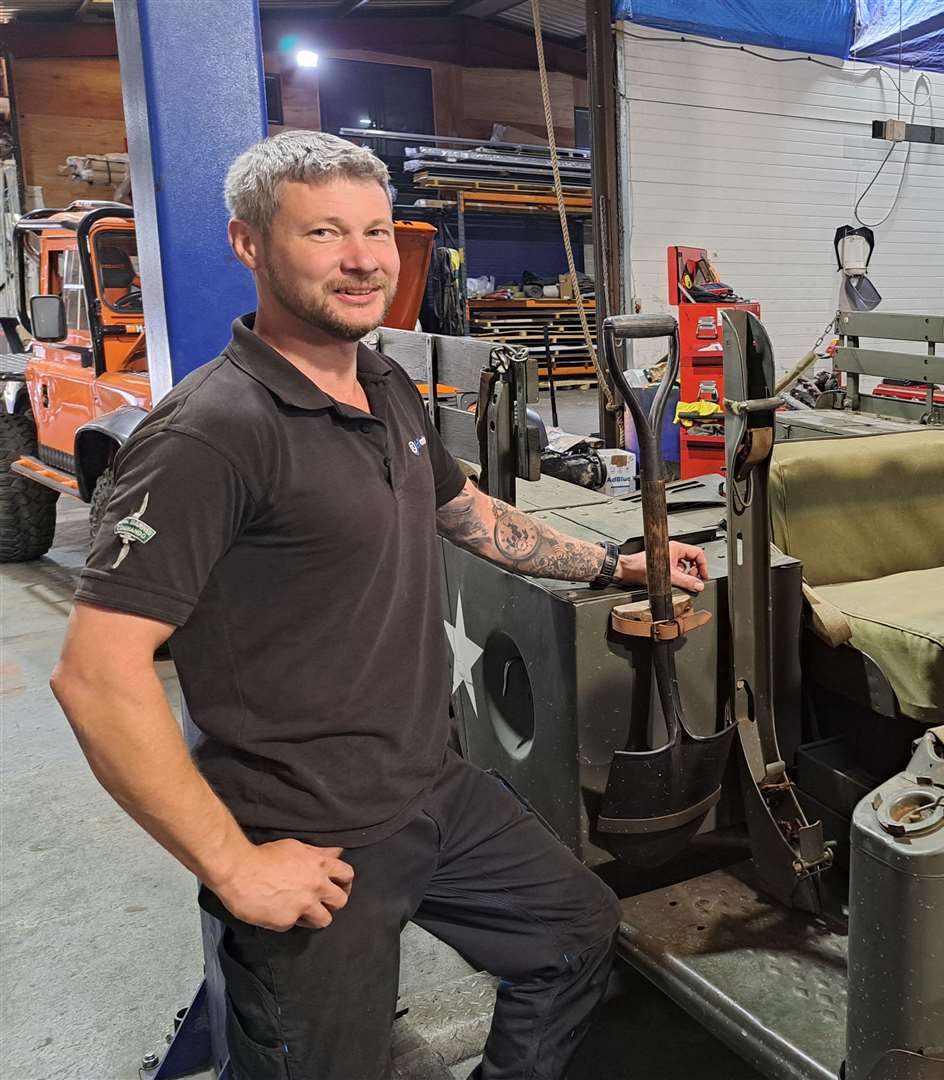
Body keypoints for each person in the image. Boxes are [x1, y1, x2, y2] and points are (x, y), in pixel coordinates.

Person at [50, 130, 708, 1080]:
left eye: (377, 231)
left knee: (574, 934)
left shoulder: (382, 382)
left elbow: (468, 514)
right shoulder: (209, 435)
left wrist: (614, 564)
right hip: (303, 832)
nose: (363, 259)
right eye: (323, 232)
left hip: (429, 788)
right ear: (249, 244)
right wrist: (237, 869)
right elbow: (95, 675)